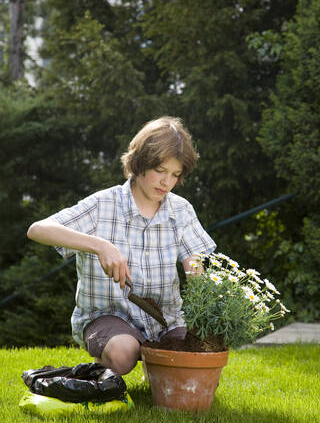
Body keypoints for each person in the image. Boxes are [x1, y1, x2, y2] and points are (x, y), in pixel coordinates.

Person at [27, 116, 216, 376]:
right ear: (139, 164)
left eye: (175, 174)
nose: (166, 182)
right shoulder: (104, 204)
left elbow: (195, 266)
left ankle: (158, 367)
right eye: (160, 171)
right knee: (123, 353)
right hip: (107, 317)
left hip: (165, 321)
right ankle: (102, 371)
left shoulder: (181, 210)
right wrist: (100, 245)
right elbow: (37, 230)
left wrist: (204, 308)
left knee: (193, 364)